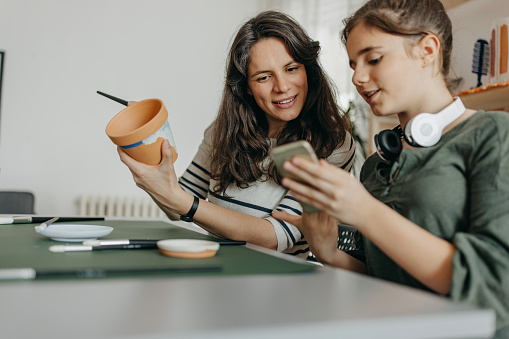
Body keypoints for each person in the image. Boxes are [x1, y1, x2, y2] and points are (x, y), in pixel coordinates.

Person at [273, 0, 509, 336]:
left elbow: (495, 286)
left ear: (427, 50)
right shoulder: (376, 166)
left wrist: (365, 211)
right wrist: (329, 251)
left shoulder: (494, 136)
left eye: (373, 59)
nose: (358, 77)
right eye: (354, 64)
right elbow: (383, 277)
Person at [117, 10, 355, 258]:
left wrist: (179, 200)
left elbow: (275, 236)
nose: (282, 87)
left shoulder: (333, 144)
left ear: (308, 70)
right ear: (247, 88)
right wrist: (147, 151)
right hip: (216, 274)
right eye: (264, 77)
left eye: (291, 69)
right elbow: (177, 207)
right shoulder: (222, 131)